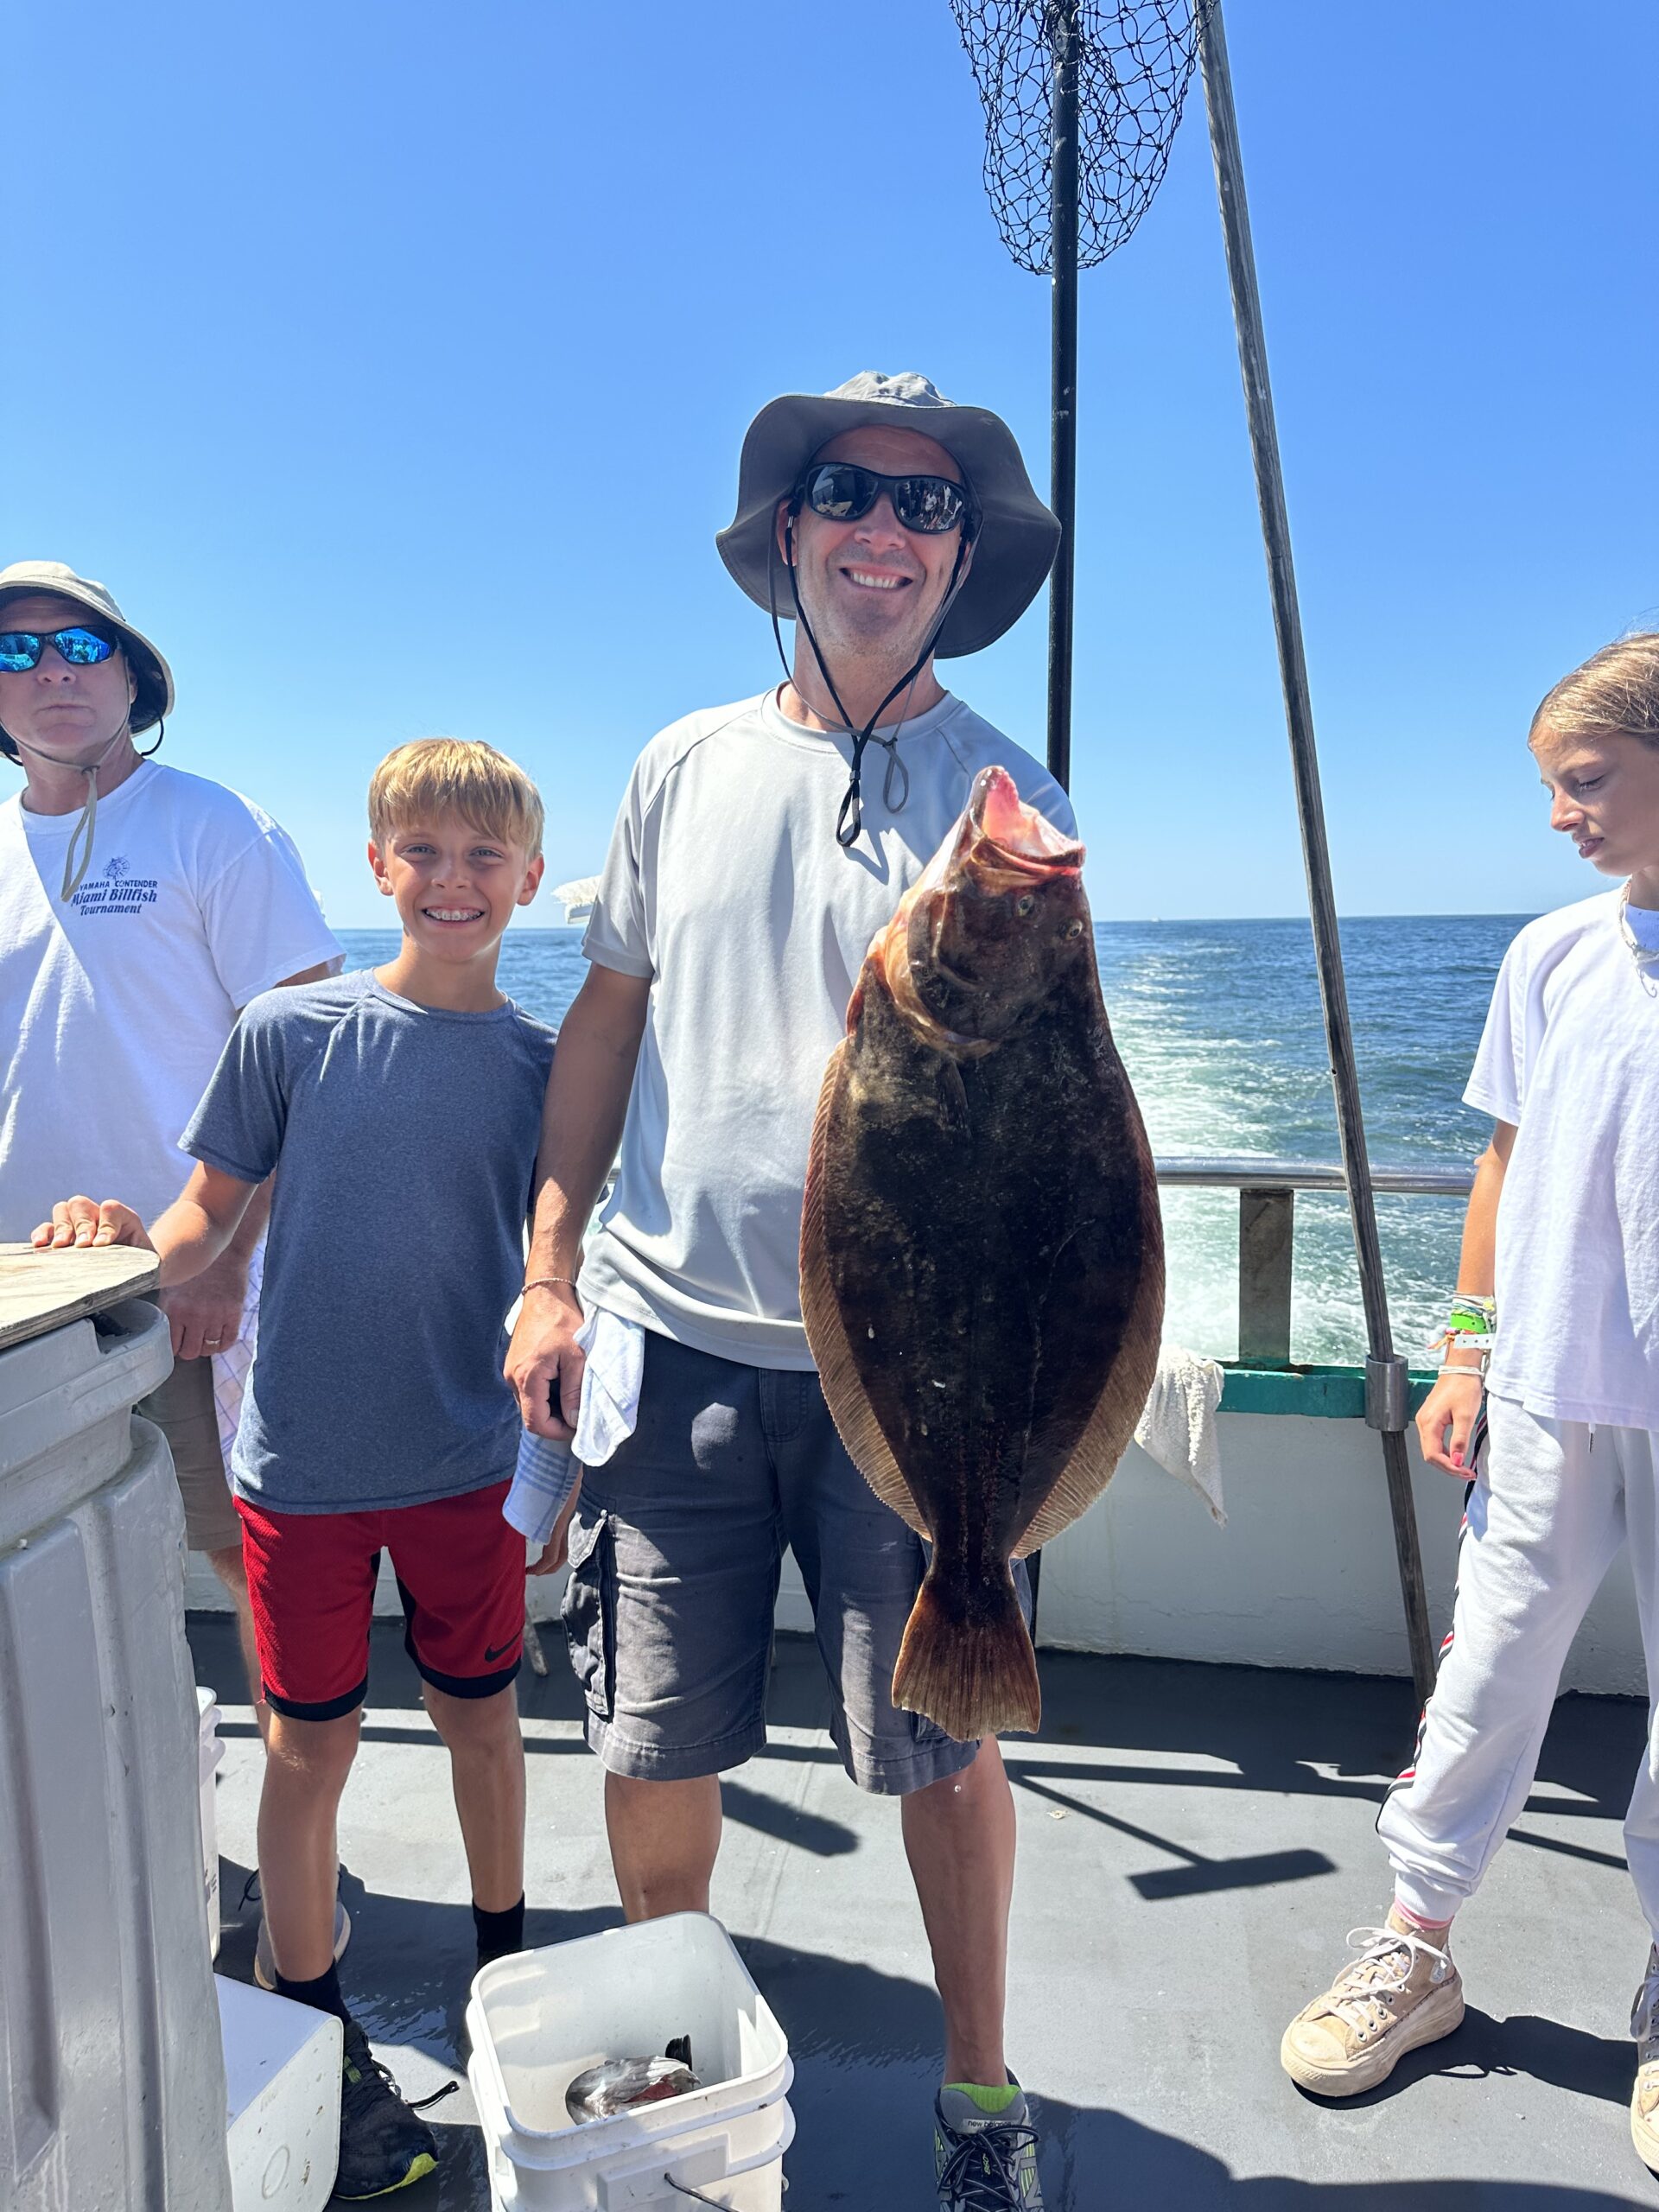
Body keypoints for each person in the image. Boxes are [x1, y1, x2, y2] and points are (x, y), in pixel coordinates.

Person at [505, 372, 1065, 2212]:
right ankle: (677, 2089)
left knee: (944, 1739)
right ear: (789, 534)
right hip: (674, 1347)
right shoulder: (680, 762)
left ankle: (981, 2094)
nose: (885, 531)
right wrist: (548, 1267)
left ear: (963, 555)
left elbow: (1054, 1116)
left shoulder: (1016, 797)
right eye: (849, 493)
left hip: (916, 1388)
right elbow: (607, 1017)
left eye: (928, 507)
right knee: (650, 1739)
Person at [36, 737, 555, 2201]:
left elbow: (562, 1269)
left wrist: (555, 1465)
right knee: (305, 1748)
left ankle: (501, 1968)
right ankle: (313, 2013)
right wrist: (119, 1241)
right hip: (297, 1473)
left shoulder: (540, 1065)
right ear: (376, 864)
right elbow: (205, 1211)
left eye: (483, 858)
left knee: (484, 1728)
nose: (453, 881)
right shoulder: (291, 1034)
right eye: (424, 853)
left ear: (526, 877)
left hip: (466, 1463)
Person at [1278, 635, 1659, 2177]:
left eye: (1587, 782)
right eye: (1553, 787)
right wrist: (1467, 1347)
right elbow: (1502, 1160)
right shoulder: (1554, 955)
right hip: (1552, 1390)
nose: (1561, 816)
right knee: (1489, 1670)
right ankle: (1416, 1949)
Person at [0, 561, 340, 1730]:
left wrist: (229, 1263)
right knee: (48, 1565)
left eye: (80, 648)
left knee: (249, 1566)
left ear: (134, 676)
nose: (50, 672)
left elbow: (308, 1055)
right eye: (17, 653)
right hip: (27, 1298)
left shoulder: (215, 826)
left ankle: (305, 1871)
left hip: (189, 1287)